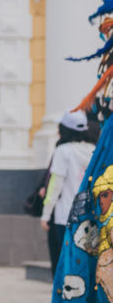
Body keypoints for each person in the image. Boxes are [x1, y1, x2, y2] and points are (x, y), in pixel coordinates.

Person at [40, 110, 95, 276]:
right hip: (89, 216)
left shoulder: (63, 151)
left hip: (65, 217)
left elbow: (55, 186)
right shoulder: (94, 149)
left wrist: (45, 215)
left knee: (64, 265)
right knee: (84, 265)